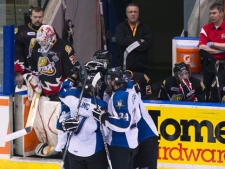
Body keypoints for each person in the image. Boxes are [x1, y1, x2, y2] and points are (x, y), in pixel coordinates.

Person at [26, 24, 79, 157]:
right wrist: (32, 77)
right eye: (40, 41)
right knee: (43, 123)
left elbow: (75, 72)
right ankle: (49, 143)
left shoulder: (65, 48)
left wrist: (68, 85)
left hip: (61, 94)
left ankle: (63, 148)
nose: (42, 43)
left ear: (51, 37)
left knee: (58, 124)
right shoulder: (35, 45)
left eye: (44, 41)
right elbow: (31, 65)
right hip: (44, 92)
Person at [56, 65, 108, 169]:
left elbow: (63, 89)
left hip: (74, 149)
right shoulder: (100, 104)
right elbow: (105, 130)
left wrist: (74, 75)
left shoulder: (71, 97)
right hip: (94, 150)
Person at [92, 66, 141, 169]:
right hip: (132, 142)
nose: (108, 83)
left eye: (109, 80)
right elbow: (138, 116)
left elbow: (124, 124)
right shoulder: (131, 91)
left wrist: (104, 118)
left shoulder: (119, 96)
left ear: (114, 82)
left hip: (120, 144)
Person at [116, 3, 153, 74]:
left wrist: (128, 42)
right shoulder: (120, 27)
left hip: (141, 67)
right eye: (130, 12)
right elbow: (121, 42)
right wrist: (139, 41)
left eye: (135, 12)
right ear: (126, 14)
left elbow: (149, 43)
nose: (133, 14)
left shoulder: (145, 28)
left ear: (138, 14)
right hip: (124, 67)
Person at [198, 2, 225, 101]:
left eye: (214, 13)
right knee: (206, 88)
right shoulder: (205, 28)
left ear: (221, 13)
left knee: (216, 89)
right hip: (208, 64)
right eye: (210, 13)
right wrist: (221, 51)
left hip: (223, 65)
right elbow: (201, 48)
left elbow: (207, 47)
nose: (211, 16)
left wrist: (213, 44)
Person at [14, 6, 44, 89]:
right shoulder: (21, 31)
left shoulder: (48, 30)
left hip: (45, 71)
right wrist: (18, 73)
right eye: (35, 17)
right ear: (30, 16)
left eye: (40, 17)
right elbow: (17, 51)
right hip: (28, 72)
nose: (38, 19)